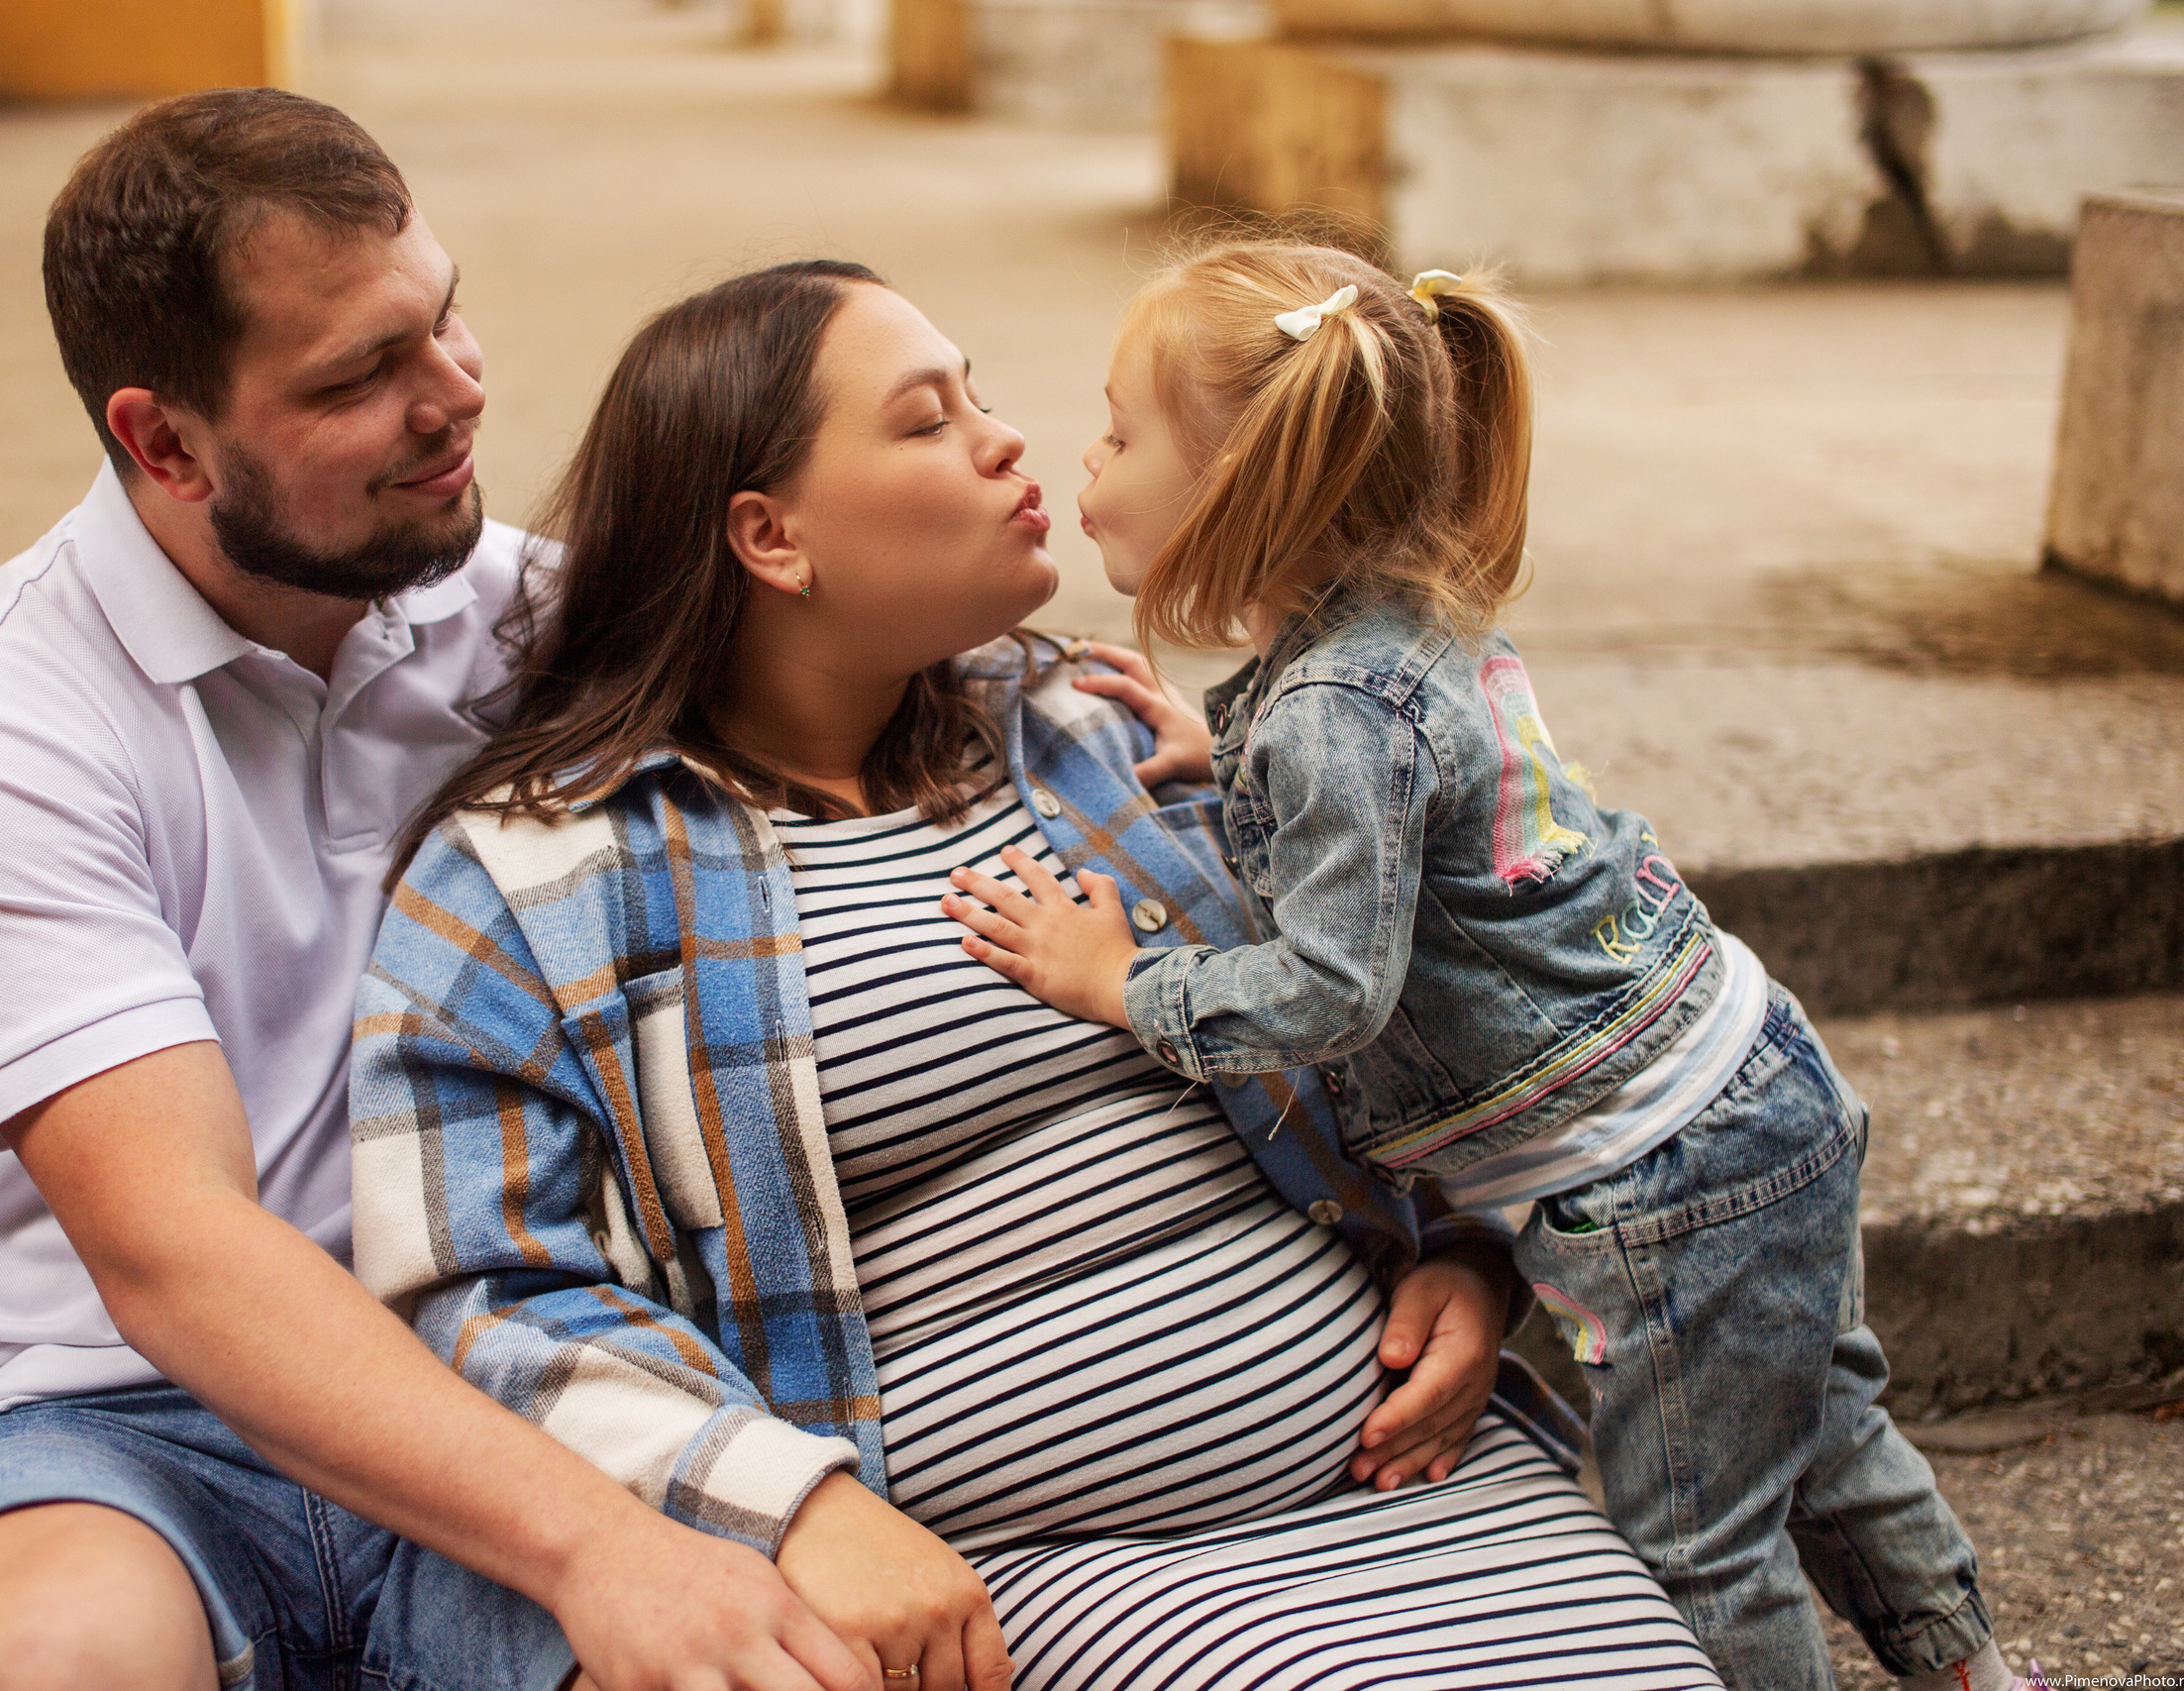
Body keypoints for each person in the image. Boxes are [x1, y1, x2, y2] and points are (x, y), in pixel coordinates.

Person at [353, 258, 1724, 1691]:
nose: (1009, 440)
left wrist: (1470, 1251)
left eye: (983, 397)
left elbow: (1435, 985)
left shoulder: (1097, 724)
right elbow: (484, 1292)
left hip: (1408, 1476)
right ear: (771, 536)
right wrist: (794, 1506)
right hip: (1042, 1575)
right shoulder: (536, 877)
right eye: (928, 419)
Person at [0, 89, 884, 1691]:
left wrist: (1157, 729)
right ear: (163, 442)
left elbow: (890, 700)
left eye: (443, 317)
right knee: (57, 1657)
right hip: (111, 1420)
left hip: (526, 1366)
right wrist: (602, 1551)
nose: (456, 393)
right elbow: (176, 1247)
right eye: (358, 377)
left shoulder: (551, 626)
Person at [946, 236, 2009, 1691]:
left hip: (1659, 1171)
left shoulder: (1330, 715)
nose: (1087, 455)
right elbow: (1407, 794)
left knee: (1699, 1549)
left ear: (1250, 487)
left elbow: (1332, 991)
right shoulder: (1392, 630)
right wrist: (1226, 754)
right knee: (1826, 1437)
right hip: (1751, 1083)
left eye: (1123, 434)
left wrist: (1120, 982)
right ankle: (1971, 1672)